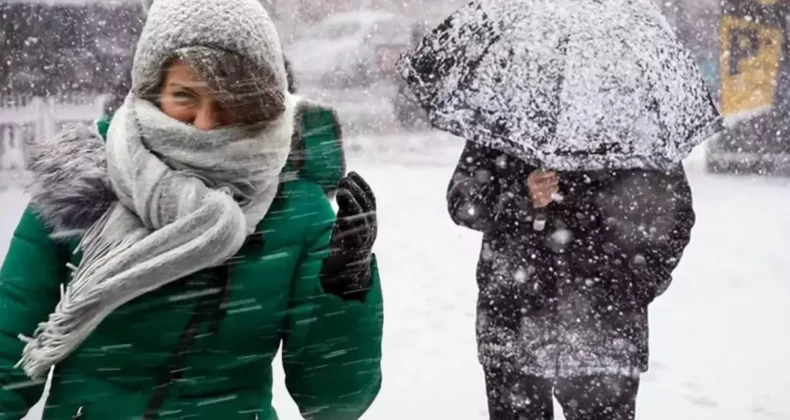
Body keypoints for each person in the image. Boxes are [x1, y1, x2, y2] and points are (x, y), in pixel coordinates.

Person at [0, 0, 383, 419]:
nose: (204, 124)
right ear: (151, 89)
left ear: (259, 103)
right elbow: (8, 347)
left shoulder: (296, 208)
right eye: (185, 96)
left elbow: (334, 402)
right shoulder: (83, 180)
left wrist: (345, 287)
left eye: (228, 102)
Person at [447, 141, 695, 420]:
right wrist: (520, 193)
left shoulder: (635, 121)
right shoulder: (506, 112)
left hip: (604, 332)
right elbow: (462, 201)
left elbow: (675, 217)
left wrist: (633, 287)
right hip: (514, 323)